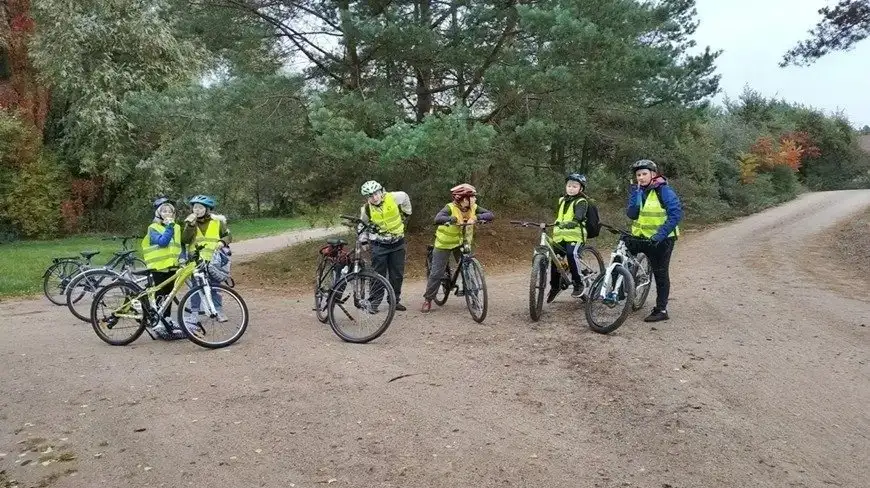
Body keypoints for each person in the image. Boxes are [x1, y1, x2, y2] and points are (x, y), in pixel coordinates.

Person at [421, 183, 494, 313]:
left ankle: (474, 298)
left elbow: (490, 215)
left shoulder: (474, 208)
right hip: (444, 244)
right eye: (472, 197)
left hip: (462, 243)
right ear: (463, 199)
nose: (474, 199)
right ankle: (428, 299)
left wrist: (477, 217)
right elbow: (438, 218)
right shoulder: (449, 208)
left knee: (469, 270)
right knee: (436, 273)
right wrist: (452, 219)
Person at [626, 159, 683, 322]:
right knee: (622, 254)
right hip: (641, 236)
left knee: (660, 273)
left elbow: (675, 215)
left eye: (644, 174)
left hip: (662, 240)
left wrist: (660, 235)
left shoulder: (664, 191)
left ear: (653, 174)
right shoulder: (638, 191)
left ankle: (661, 310)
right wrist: (635, 197)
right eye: (638, 175)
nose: (641, 178)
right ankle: (623, 288)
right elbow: (632, 215)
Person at [358, 180, 412, 312]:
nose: (374, 198)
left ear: (381, 191)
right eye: (370, 196)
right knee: (377, 274)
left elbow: (405, 197)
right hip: (379, 245)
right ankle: (375, 302)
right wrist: (363, 240)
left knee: (397, 274)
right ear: (367, 197)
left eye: (376, 194)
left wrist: (406, 212)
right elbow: (362, 224)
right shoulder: (366, 209)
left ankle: (394, 301)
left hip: (398, 242)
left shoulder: (393, 197)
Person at [181, 195, 232, 325]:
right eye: (195, 207)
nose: (197, 210)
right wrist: (190, 226)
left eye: (200, 207)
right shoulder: (190, 222)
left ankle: (218, 310)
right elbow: (185, 240)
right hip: (196, 260)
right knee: (196, 287)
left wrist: (222, 242)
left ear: (207, 209)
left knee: (215, 286)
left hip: (213, 260)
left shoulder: (217, 221)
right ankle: (194, 314)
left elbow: (228, 235)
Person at [141, 197, 185, 339]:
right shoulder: (153, 228)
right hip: (158, 267)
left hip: (172, 267)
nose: (167, 214)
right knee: (160, 295)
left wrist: (183, 258)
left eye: (170, 211)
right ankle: (158, 322)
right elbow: (163, 242)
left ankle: (167, 319)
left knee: (169, 295)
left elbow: (179, 244)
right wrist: (169, 227)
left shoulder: (177, 227)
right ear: (158, 213)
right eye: (164, 211)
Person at [547, 173, 590, 302]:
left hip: (575, 236)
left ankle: (578, 283)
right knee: (554, 259)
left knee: (571, 254)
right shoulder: (562, 200)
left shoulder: (581, 201)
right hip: (560, 237)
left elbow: (579, 216)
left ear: (580, 189)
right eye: (569, 186)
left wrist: (574, 222)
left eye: (575, 186)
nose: (571, 188)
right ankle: (555, 286)